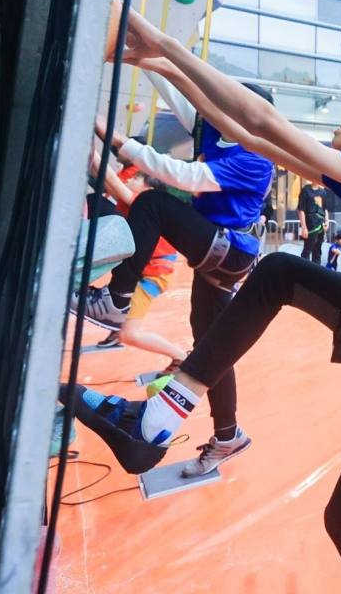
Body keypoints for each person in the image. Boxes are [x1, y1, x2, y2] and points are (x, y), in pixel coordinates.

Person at [67, 6, 341, 590]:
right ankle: (158, 418)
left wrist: (159, 42)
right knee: (280, 271)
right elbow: (248, 134)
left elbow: (261, 119)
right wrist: (160, 64)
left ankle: (161, 413)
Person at [77, 84, 274, 476]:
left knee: (151, 203)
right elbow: (184, 98)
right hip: (213, 254)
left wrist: (114, 138)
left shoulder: (256, 157)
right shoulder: (216, 129)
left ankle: (116, 300)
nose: (217, 107)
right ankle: (228, 435)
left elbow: (184, 176)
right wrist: (155, 61)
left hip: (230, 252)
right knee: (211, 348)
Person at [86, 156, 187, 369]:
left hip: (153, 275)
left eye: (137, 178)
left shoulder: (143, 201)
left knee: (130, 334)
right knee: (121, 311)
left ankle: (181, 357)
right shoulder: (133, 203)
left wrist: (94, 154)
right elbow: (107, 182)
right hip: (146, 270)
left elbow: (112, 182)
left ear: (149, 189)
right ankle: (116, 327)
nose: (130, 180)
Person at [297, 179, 331, 265]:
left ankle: (316, 269)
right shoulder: (305, 190)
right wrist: (304, 227)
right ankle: (304, 269)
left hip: (320, 223)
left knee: (318, 249)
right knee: (307, 249)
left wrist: (327, 221)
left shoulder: (323, 192)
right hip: (310, 223)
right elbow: (301, 210)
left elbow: (325, 209)